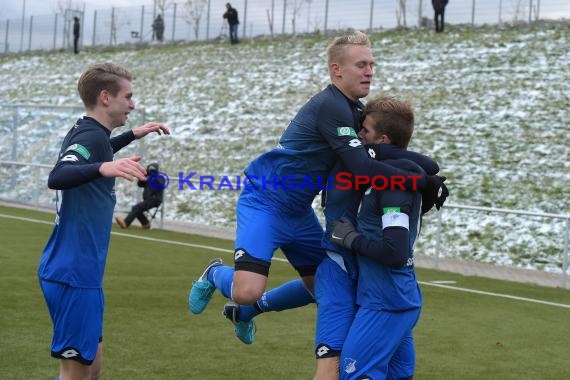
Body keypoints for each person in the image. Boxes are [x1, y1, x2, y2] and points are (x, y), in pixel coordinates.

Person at [188, 31, 447, 348]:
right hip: (266, 202)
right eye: (361, 64)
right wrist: (422, 181)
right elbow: (365, 167)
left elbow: (384, 152)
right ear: (336, 70)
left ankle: (245, 313)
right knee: (247, 289)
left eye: (371, 64)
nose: (369, 71)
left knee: (321, 286)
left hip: (298, 211)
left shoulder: (356, 112)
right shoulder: (330, 106)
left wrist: (427, 171)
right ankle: (215, 274)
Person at [37, 62, 169, 380]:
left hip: (83, 274)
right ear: (106, 97)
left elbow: (100, 150)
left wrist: (133, 135)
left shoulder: (94, 135)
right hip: (72, 274)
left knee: (92, 367)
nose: (133, 104)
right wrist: (103, 169)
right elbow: (59, 175)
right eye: (129, 96)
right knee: (76, 373)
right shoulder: (88, 136)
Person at [330, 97, 427, 379]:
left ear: (382, 139)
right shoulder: (386, 176)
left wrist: (350, 238)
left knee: (355, 375)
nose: (359, 135)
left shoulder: (395, 185)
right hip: (393, 300)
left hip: (387, 303)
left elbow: (394, 252)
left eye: (366, 131)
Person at [115, 162, 164, 229]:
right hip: (148, 200)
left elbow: (160, 183)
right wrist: (143, 176)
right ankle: (146, 224)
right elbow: (140, 184)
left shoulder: (160, 177)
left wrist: (153, 177)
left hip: (155, 200)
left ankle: (126, 223)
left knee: (136, 208)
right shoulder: (148, 178)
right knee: (137, 208)